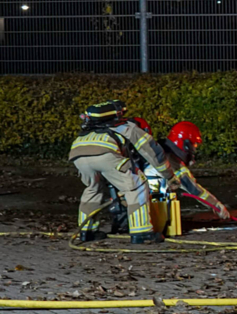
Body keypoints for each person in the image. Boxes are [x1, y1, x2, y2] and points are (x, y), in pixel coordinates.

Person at [68, 100, 179, 244]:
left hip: (77, 155)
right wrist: (169, 176)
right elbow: (152, 151)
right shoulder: (126, 127)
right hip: (105, 154)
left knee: (93, 189)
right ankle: (142, 232)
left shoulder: (88, 131)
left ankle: (87, 232)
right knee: (136, 185)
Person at [157, 121, 231, 220]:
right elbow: (194, 190)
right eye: (194, 144)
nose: (195, 148)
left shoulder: (159, 152)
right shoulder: (174, 163)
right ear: (185, 144)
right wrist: (216, 205)